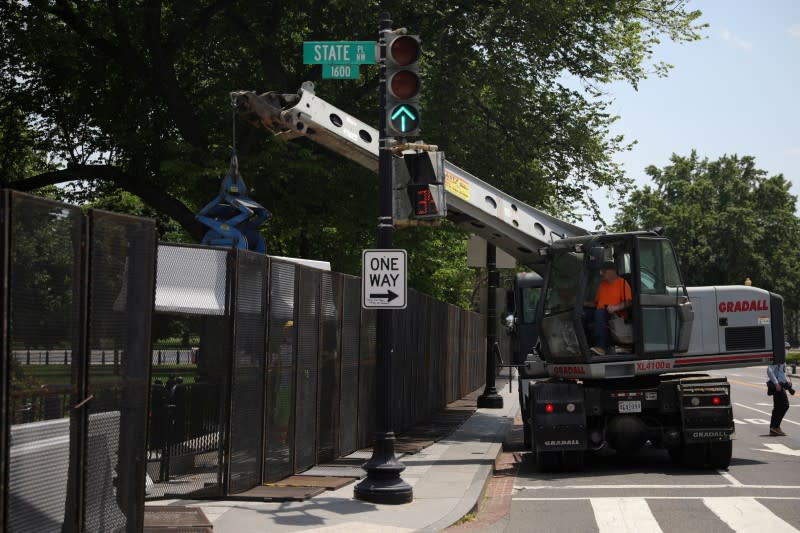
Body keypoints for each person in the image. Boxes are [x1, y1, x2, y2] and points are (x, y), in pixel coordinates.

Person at [588, 261, 632, 356]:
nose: (601, 273)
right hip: (601, 310)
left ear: (612, 272)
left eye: (603, 271)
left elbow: (628, 302)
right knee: (582, 314)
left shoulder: (622, 283)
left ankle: (601, 347)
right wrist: (582, 304)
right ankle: (582, 345)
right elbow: (596, 303)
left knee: (599, 313)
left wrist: (615, 307)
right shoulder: (602, 284)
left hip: (615, 314)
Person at [767, 361, 791, 436]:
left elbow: (781, 372)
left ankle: (773, 428)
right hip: (778, 386)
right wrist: (776, 383)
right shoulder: (778, 356)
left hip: (780, 385)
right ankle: (775, 427)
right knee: (785, 405)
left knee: (777, 407)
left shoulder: (782, 357)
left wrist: (786, 381)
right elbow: (769, 370)